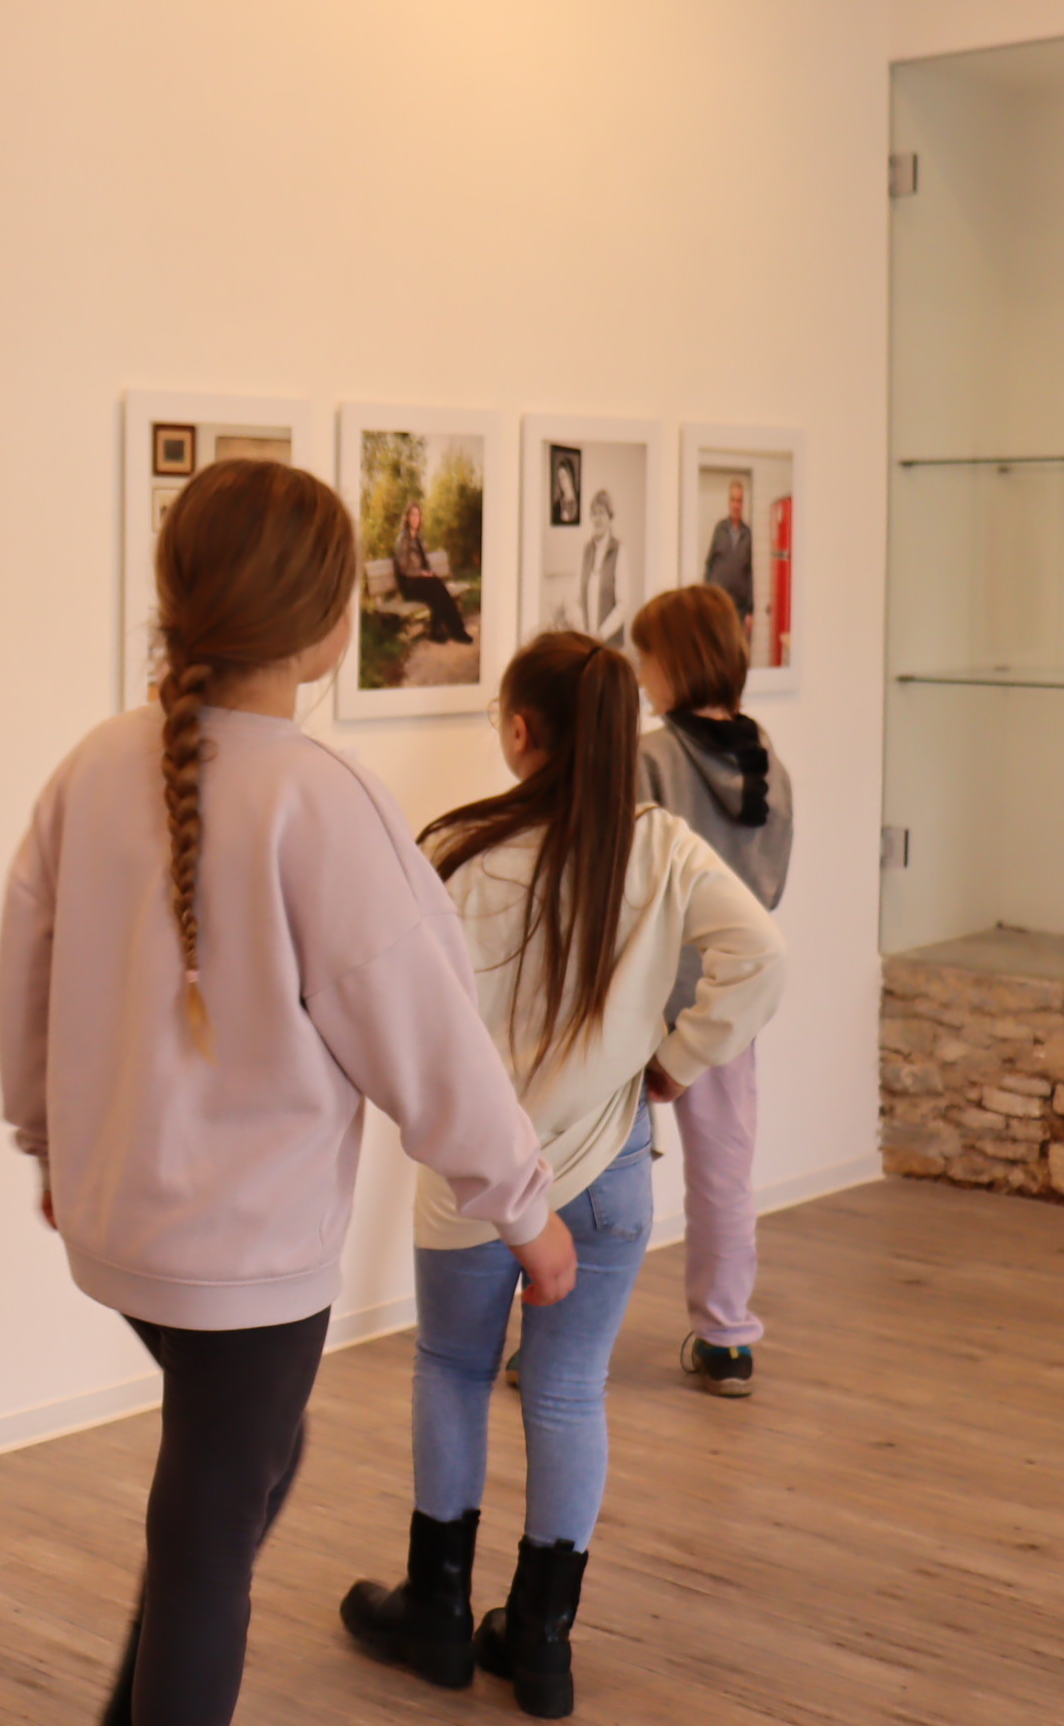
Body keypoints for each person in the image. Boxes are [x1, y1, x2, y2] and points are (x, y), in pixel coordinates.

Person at [0, 458, 573, 1726]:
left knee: (240, 1471)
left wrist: (44, 1139)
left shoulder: (96, 761)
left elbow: (23, 965)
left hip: (116, 1225)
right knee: (208, 1539)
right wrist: (524, 1205)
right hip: (247, 1255)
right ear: (323, 626)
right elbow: (423, 1028)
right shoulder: (322, 797)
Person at [341, 631, 785, 1720]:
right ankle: (540, 1642)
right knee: (569, 1390)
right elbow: (761, 956)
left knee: (451, 1370)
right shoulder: (663, 847)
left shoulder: (454, 847)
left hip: (473, 1181)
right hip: (611, 1178)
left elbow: (407, 1018)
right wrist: (675, 1062)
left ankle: (439, 1615)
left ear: (521, 730)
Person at [630, 585, 793, 1398]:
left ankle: (552, 1337)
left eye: (643, 658)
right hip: (728, 1004)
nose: (638, 672)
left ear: (670, 664)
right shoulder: (766, 755)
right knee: (725, 1173)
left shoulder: (649, 758)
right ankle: (727, 1337)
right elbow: (769, 894)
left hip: (637, 999)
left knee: (595, 1173)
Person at [392, 501, 472, 645]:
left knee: (438, 590)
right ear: (407, 518)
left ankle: (451, 630)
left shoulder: (420, 538)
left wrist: (427, 573)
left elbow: (425, 562)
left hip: (421, 582)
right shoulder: (403, 539)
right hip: (409, 584)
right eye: (413, 515)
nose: (416, 518)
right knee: (437, 588)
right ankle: (452, 630)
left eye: (418, 515)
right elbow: (404, 568)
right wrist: (422, 574)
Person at [703, 479, 756, 627]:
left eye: (739, 501)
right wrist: (705, 599)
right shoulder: (720, 529)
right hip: (717, 604)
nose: (736, 505)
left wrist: (750, 611)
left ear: (743, 504)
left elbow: (749, 572)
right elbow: (709, 564)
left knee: (735, 649)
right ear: (729, 502)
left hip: (739, 609)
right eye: (733, 500)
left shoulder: (748, 534)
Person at [574, 491, 624, 646]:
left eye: (602, 513)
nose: (598, 518)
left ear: (610, 517)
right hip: (587, 641)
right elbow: (576, 601)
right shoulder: (585, 551)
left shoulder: (619, 550)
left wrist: (601, 635)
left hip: (610, 643)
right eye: (594, 513)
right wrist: (584, 632)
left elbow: (623, 605)